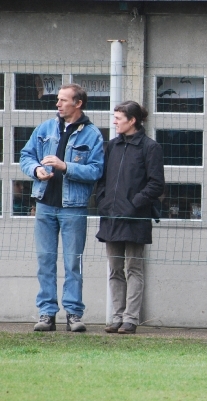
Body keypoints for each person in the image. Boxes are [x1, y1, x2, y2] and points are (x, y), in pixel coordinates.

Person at [20, 83, 104, 332]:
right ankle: (46, 314)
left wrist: (65, 166)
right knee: (45, 261)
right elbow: (26, 155)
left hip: (74, 208)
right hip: (44, 205)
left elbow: (96, 170)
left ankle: (74, 315)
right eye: (58, 99)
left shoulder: (93, 134)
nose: (57, 104)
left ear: (77, 104)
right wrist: (35, 170)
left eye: (63, 100)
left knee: (73, 263)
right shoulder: (45, 128)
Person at [96, 101, 165, 335]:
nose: (114, 122)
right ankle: (116, 317)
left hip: (136, 218)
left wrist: (134, 204)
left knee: (134, 268)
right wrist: (104, 202)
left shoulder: (150, 147)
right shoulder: (111, 146)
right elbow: (102, 180)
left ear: (132, 120)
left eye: (118, 118)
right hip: (111, 217)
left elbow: (156, 184)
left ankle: (130, 319)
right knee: (115, 268)